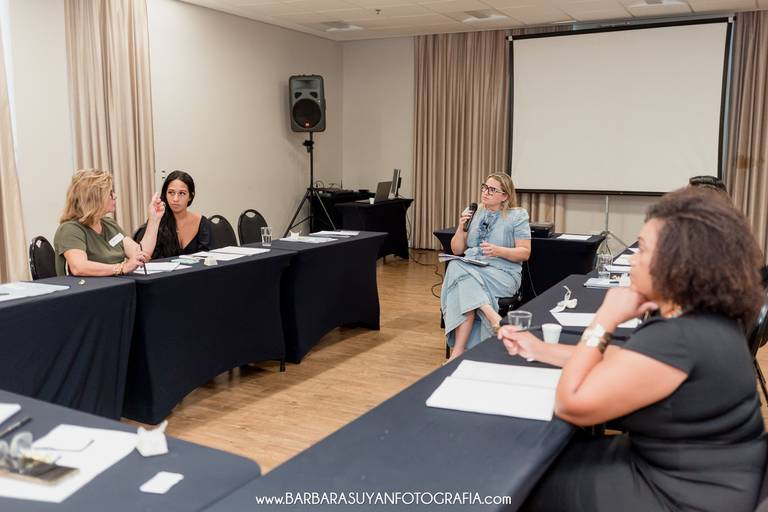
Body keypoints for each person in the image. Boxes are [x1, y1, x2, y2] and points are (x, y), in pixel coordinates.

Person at [499, 187, 766, 511]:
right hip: (711, 473)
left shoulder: (680, 338)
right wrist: (538, 349)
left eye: (643, 250)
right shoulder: (702, 315)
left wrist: (605, 318)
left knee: (518, 481)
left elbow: (570, 404)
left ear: (679, 264)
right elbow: (624, 362)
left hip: (684, 495)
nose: (632, 260)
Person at [442, 173, 531, 362]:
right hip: (472, 268)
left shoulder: (517, 215)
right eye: (484, 187)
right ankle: (490, 315)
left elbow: (525, 253)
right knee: (457, 265)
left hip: (502, 273)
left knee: (459, 274)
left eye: (492, 190)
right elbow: (457, 250)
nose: (485, 192)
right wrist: (461, 227)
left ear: (505, 196)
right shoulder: (474, 212)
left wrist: (499, 251)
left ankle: (458, 351)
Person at [54, 169, 164, 276]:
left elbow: (141, 254)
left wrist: (154, 219)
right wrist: (121, 268)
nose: (115, 196)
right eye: (110, 193)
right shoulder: (69, 229)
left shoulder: (108, 224)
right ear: (94, 197)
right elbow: (79, 267)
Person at [139, 170, 212, 259]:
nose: (175, 199)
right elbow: (146, 258)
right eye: (171, 192)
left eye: (182, 193)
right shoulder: (156, 221)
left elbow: (206, 258)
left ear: (190, 196)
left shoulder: (201, 222)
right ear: (165, 194)